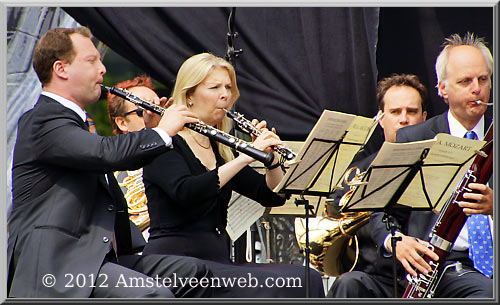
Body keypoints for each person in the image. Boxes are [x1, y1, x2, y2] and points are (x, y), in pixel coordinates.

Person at [7, 27, 214, 298]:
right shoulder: (42, 120)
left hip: (98, 257)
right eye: (92, 61)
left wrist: (153, 129)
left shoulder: (74, 125)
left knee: (195, 274)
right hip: (59, 264)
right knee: (153, 296)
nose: (103, 69)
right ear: (61, 69)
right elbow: (104, 154)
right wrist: (162, 131)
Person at [141, 53, 325, 297]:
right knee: (275, 288)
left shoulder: (219, 150)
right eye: (214, 87)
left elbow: (270, 196)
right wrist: (247, 154)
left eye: (228, 87)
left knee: (307, 278)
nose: (224, 94)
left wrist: (270, 159)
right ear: (189, 97)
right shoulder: (165, 144)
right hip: (178, 264)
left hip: (217, 262)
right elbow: (187, 192)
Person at [370, 32, 493, 298]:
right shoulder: (414, 138)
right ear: (442, 88)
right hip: (446, 265)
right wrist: (396, 241)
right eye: (465, 81)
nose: (477, 89)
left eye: (483, 79)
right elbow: (382, 211)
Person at [326, 73, 428, 297]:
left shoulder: (439, 166)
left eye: (412, 112)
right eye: (395, 112)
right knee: (348, 284)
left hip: (431, 273)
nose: (404, 119)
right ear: (381, 119)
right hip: (378, 279)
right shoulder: (358, 172)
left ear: (424, 117)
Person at [107, 75, 163, 239]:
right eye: (142, 112)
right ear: (122, 123)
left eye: (159, 109)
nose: (153, 116)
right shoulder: (110, 167)